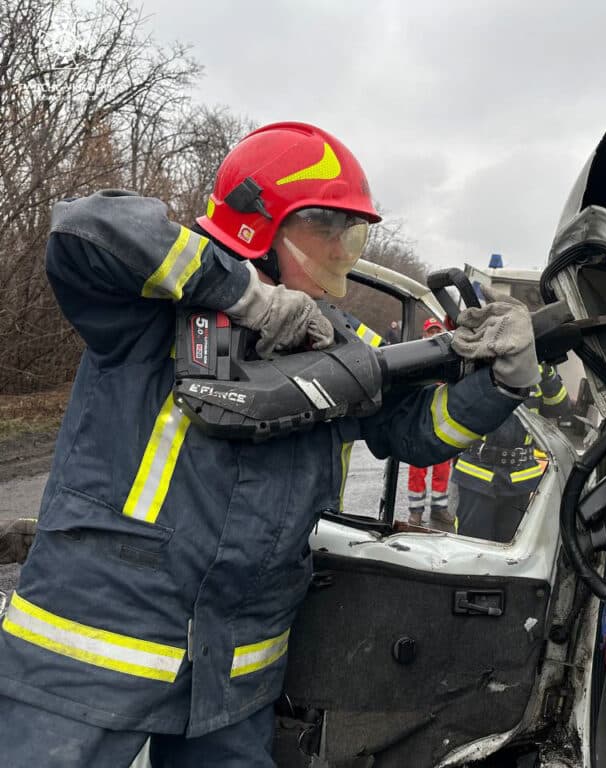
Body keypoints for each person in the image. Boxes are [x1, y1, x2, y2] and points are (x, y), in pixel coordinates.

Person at [0, 122, 541, 767]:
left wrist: (506, 380)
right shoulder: (150, 311)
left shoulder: (343, 346)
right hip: (91, 653)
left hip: (237, 667)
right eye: (329, 229)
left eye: (353, 233)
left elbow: (419, 430)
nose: (343, 250)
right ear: (262, 226)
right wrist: (244, 295)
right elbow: (86, 229)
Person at [453, 363, 572, 542]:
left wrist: (548, 374)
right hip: (478, 476)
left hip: (519, 481)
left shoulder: (537, 374)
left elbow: (560, 408)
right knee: (471, 546)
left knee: (511, 549)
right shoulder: (481, 364)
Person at [406, 318, 455, 529]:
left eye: (437, 330)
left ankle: (439, 508)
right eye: (430, 331)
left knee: (442, 467)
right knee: (417, 467)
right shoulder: (416, 356)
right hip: (419, 421)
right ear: (424, 334)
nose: (433, 334)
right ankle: (415, 512)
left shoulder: (448, 356)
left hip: (442, 421)